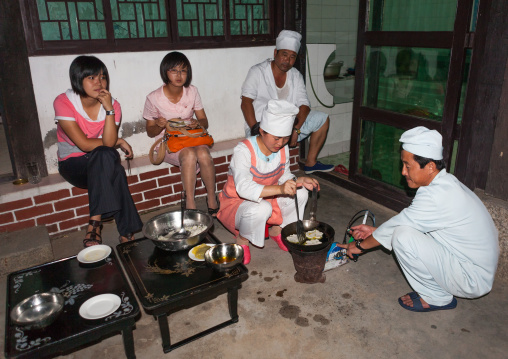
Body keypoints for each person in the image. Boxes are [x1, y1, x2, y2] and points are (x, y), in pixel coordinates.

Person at [340, 126, 499, 312]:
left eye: (408, 166)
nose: (403, 172)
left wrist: (358, 247)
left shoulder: (436, 197)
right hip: (468, 263)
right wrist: (376, 232)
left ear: (430, 166)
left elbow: (401, 226)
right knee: (401, 230)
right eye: (403, 165)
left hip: (472, 277)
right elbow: (411, 220)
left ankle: (438, 297)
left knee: (402, 236)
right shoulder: (444, 184)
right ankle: (438, 288)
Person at [55, 55, 143, 247]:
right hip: (74, 164)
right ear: (78, 79)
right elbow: (85, 145)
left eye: (102, 77)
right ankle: (123, 227)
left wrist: (109, 110)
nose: (99, 82)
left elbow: (108, 142)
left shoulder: (114, 105)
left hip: (101, 162)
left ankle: (95, 225)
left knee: (108, 158)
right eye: (92, 78)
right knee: (110, 161)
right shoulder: (64, 102)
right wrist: (117, 141)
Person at [218, 99, 320, 264]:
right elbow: (244, 188)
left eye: (285, 138)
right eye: (277, 138)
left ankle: (277, 231)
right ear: (262, 130)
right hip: (238, 202)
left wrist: (299, 180)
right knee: (260, 208)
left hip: (269, 197)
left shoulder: (282, 148)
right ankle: (242, 241)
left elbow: (284, 175)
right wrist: (280, 189)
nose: (280, 143)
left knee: (300, 193)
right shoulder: (243, 150)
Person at [241, 30, 334, 174]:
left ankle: (310, 163)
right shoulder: (257, 71)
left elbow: (304, 104)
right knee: (269, 170)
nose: (287, 61)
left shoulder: (295, 75)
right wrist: (255, 128)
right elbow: (246, 102)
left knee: (322, 119)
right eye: (284, 55)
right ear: (275, 53)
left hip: (289, 126)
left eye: (292, 57)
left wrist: (296, 129)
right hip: (262, 127)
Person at [143, 51, 219, 215]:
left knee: (204, 154)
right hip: (169, 143)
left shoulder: (192, 91)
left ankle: (211, 197)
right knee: (189, 155)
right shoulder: (153, 98)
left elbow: (204, 121)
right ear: (165, 72)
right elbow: (150, 131)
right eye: (174, 70)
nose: (179, 75)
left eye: (183, 71)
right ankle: (190, 203)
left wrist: (198, 123)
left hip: (191, 138)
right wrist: (159, 125)